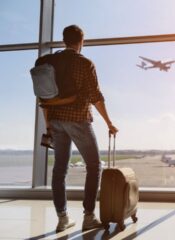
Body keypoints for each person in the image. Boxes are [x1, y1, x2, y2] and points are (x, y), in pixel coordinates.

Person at [43, 25, 118, 232]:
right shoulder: (85, 63)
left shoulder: (51, 62)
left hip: (56, 120)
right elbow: (95, 96)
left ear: (64, 40)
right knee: (94, 166)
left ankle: (62, 218)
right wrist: (109, 122)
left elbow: (44, 96)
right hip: (78, 118)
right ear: (81, 42)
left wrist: (48, 123)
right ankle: (88, 216)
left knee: (60, 170)